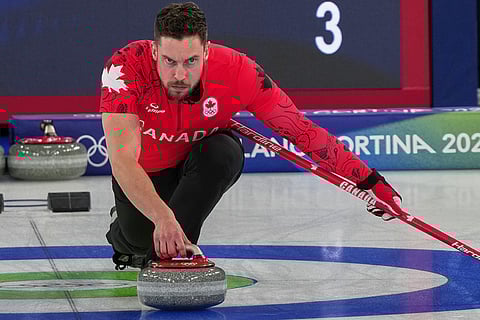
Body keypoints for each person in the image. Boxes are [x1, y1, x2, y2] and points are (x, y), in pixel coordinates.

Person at [99, 2, 403, 270]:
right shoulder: (125, 67)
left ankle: (172, 260)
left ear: (205, 51)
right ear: (154, 51)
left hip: (200, 161)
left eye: (191, 61)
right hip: (146, 171)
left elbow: (301, 130)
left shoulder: (238, 71)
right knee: (139, 239)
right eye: (169, 61)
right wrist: (163, 218)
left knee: (223, 153)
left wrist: (371, 181)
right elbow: (123, 160)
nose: (180, 74)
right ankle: (128, 235)